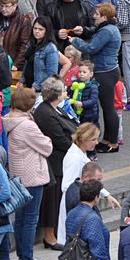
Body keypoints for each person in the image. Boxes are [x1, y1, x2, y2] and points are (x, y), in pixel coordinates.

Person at [3, 88, 53, 260]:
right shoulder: (27, 125)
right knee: (31, 218)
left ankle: (23, 256)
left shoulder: (11, 120)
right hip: (32, 176)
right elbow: (47, 146)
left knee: (21, 218)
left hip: (18, 174)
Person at [67, 3, 122, 152]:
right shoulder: (107, 28)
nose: (94, 16)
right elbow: (95, 32)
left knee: (108, 108)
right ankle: (107, 140)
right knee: (107, 107)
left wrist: (75, 41)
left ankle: (113, 143)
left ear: (104, 17)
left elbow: (92, 48)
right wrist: (83, 30)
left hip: (105, 73)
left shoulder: (107, 31)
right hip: (108, 70)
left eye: (97, 14)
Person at [33, 77, 79, 250]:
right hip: (54, 163)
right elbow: (59, 139)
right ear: (57, 94)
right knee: (52, 200)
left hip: (61, 161)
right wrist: (76, 147)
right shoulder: (45, 113)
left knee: (58, 199)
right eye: (63, 90)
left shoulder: (55, 108)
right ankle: (49, 236)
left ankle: (56, 233)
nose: (66, 93)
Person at [0, 0, 33, 73]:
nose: (3, 9)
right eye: (2, 6)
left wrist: (16, 64)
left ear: (15, 5)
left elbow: (25, 46)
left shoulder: (23, 21)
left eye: (7, 6)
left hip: (14, 63)